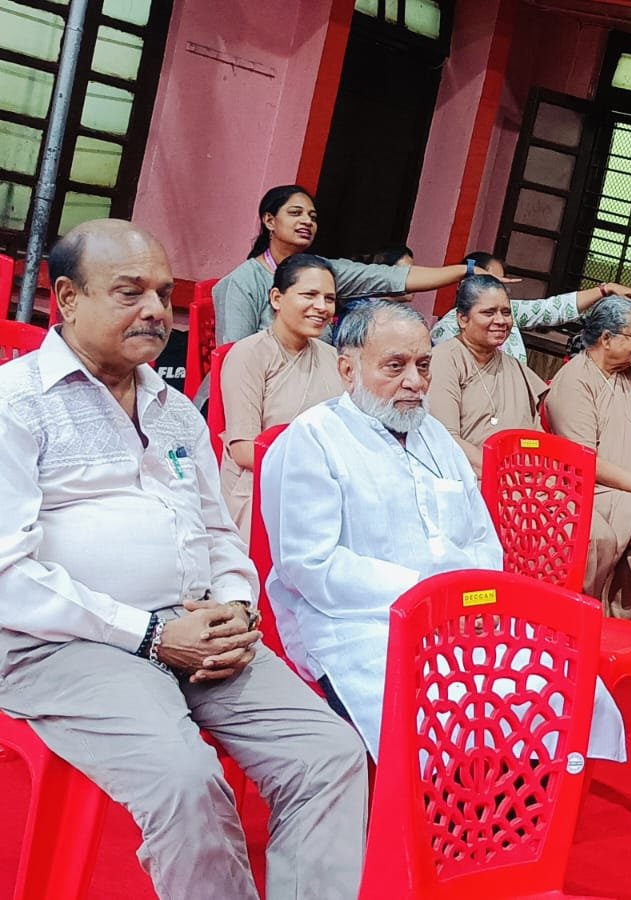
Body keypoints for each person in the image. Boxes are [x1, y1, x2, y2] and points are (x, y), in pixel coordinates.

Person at [0, 220, 368, 899]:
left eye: (164, 294)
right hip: (65, 643)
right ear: (67, 298)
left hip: (195, 631)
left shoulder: (173, 409)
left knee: (330, 753)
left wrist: (236, 608)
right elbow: (6, 577)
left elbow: (218, 530)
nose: (154, 311)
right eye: (130, 292)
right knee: (186, 778)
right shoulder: (14, 402)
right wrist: (149, 634)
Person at [259, 301, 625, 761]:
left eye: (423, 365)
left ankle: (523, 798)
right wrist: (429, 599)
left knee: (560, 678)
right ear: (348, 369)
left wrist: (474, 599)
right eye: (395, 366)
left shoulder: (434, 436)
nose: (415, 381)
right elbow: (311, 565)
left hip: (462, 616)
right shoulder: (313, 439)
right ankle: (452, 802)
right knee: (446, 702)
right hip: (360, 624)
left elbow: (481, 538)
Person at [213, 185, 501, 344]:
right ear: (269, 220)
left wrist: (467, 269)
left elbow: (391, 277)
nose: (307, 222)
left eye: (312, 217)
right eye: (296, 213)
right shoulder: (244, 281)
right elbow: (232, 356)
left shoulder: (323, 271)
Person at [545, 296, 631, 626]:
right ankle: (628, 626)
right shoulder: (575, 380)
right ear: (606, 339)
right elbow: (585, 461)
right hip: (606, 492)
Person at [217, 254, 343, 541]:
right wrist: (314, 470)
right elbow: (244, 450)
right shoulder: (249, 354)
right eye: (309, 295)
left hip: (324, 486)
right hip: (263, 488)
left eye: (329, 299)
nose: (322, 307)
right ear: (276, 298)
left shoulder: (332, 357)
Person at [426, 275, 548, 476]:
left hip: (526, 480)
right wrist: (501, 473)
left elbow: (536, 437)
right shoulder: (445, 360)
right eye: (488, 313)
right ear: (462, 319)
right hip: (472, 479)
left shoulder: (515, 368)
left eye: (506, 312)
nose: (501, 321)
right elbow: (446, 438)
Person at [429, 250, 631, 361]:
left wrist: (604, 289)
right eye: (490, 282)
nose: (500, 320)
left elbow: (552, 309)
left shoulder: (511, 313)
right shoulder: (445, 332)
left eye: (501, 284)